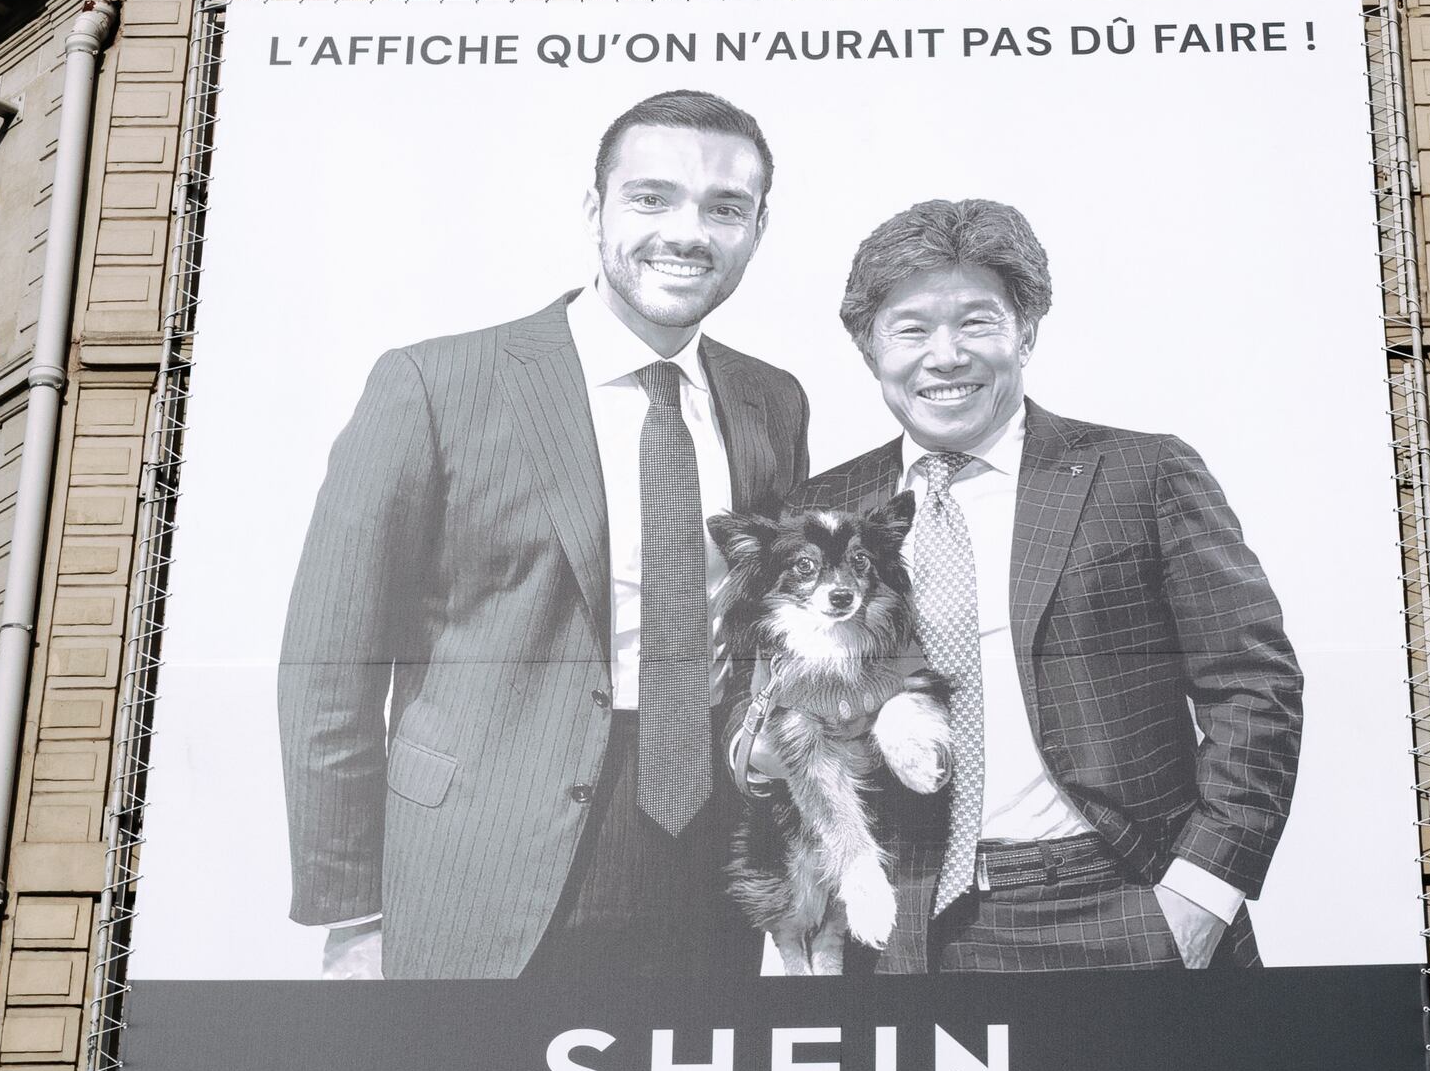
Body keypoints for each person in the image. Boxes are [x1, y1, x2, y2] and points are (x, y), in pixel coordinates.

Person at [279, 89, 812, 979]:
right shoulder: (435, 384)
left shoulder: (772, 401)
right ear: (595, 208)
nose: (688, 233)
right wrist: (353, 912)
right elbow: (330, 664)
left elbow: (777, 634)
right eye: (652, 198)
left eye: (726, 208)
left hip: (711, 858)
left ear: (759, 228)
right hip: (480, 859)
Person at [806, 198, 1302, 973]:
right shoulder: (825, 511)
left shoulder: (1140, 475)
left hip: (1120, 902)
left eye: (977, 322)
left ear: (1027, 332)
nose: (946, 356)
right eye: (911, 329)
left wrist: (1202, 894)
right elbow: (773, 707)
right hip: (903, 931)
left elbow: (1253, 684)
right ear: (870, 348)